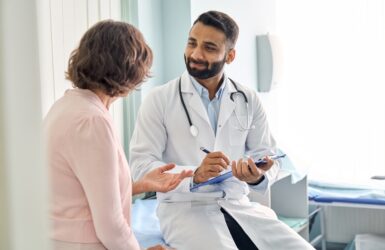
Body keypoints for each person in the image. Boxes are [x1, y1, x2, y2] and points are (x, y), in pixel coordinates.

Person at [129, 11, 315, 250]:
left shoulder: (247, 99)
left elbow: (268, 157)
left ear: (230, 55)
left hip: (237, 203)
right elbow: (141, 167)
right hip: (185, 209)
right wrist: (195, 174)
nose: (195, 54)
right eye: (191, 43)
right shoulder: (160, 100)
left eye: (209, 47)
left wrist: (257, 175)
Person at [43, 20, 193, 250]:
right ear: (129, 71)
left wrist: (139, 185)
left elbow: (81, 192)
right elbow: (110, 226)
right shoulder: (93, 121)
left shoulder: (65, 106)